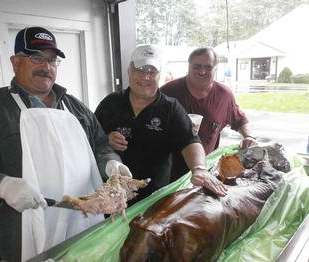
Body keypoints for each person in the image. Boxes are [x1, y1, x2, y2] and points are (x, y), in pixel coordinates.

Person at [0, 26, 132, 261]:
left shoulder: (75, 107)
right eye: (36, 58)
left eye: (52, 60)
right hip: (22, 232)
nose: (46, 67)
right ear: (15, 62)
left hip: (85, 222)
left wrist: (112, 164)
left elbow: (100, 145)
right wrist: (1, 185)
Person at [95, 44, 227, 205]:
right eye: (140, 69)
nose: (145, 77)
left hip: (154, 197)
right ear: (129, 71)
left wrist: (199, 169)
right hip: (113, 194)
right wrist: (106, 140)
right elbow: (91, 137)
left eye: (152, 71)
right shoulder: (111, 103)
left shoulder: (171, 108)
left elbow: (189, 141)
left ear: (161, 75)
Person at [161, 47, 257, 181]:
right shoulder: (168, 92)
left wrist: (249, 136)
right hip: (168, 173)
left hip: (203, 173)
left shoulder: (224, 95)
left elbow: (240, 120)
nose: (202, 71)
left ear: (215, 69)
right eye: (197, 66)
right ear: (188, 66)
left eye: (208, 67)